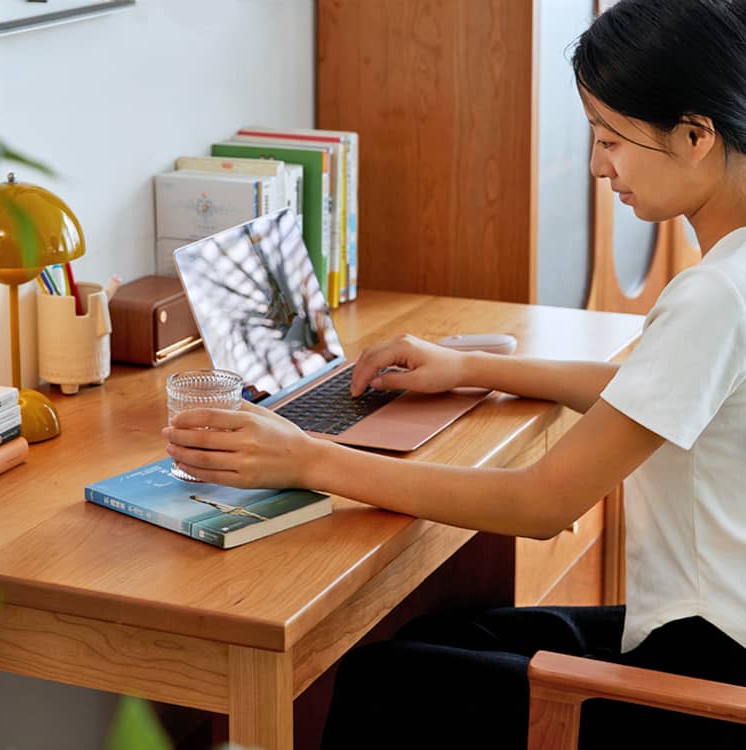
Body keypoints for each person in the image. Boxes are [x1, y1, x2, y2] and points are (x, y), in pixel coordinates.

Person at [163, 0, 746, 746]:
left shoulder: (714, 294)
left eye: (611, 140)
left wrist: (307, 457)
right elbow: (664, 398)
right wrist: (472, 366)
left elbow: (542, 504)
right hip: (718, 633)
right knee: (448, 630)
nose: (599, 165)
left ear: (696, 135)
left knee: (387, 681)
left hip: (705, 681)